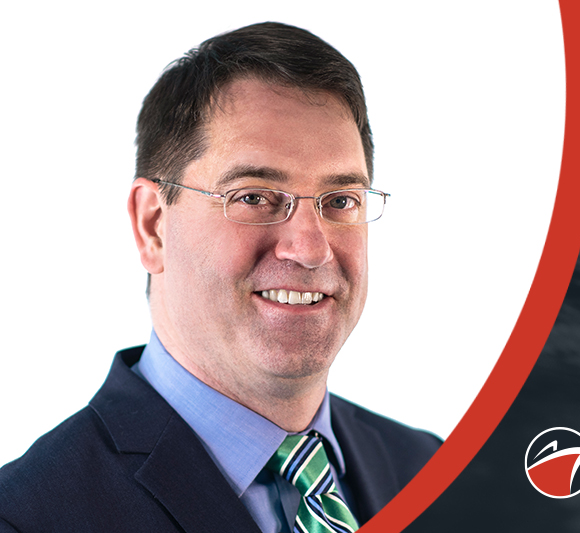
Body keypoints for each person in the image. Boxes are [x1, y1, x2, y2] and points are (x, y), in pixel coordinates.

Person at [0, 22, 441, 533]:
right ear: (153, 226)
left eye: (340, 201)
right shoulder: (28, 519)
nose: (311, 248)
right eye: (253, 197)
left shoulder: (432, 469)